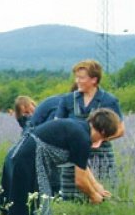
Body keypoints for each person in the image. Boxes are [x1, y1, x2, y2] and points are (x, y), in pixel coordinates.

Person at [0, 107, 121, 215]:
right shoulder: (83, 139)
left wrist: (97, 187)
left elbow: (82, 166)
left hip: (15, 157)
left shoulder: (79, 127)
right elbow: (80, 181)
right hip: (29, 163)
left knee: (15, 210)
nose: (101, 143)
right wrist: (94, 196)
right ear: (103, 132)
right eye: (105, 139)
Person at [54, 60, 125, 199]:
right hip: (73, 155)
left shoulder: (109, 100)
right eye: (76, 77)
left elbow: (120, 129)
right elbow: (58, 126)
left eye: (81, 78)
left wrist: (101, 139)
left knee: (104, 191)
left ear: (94, 79)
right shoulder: (67, 99)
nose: (77, 81)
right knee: (71, 196)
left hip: (100, 154)